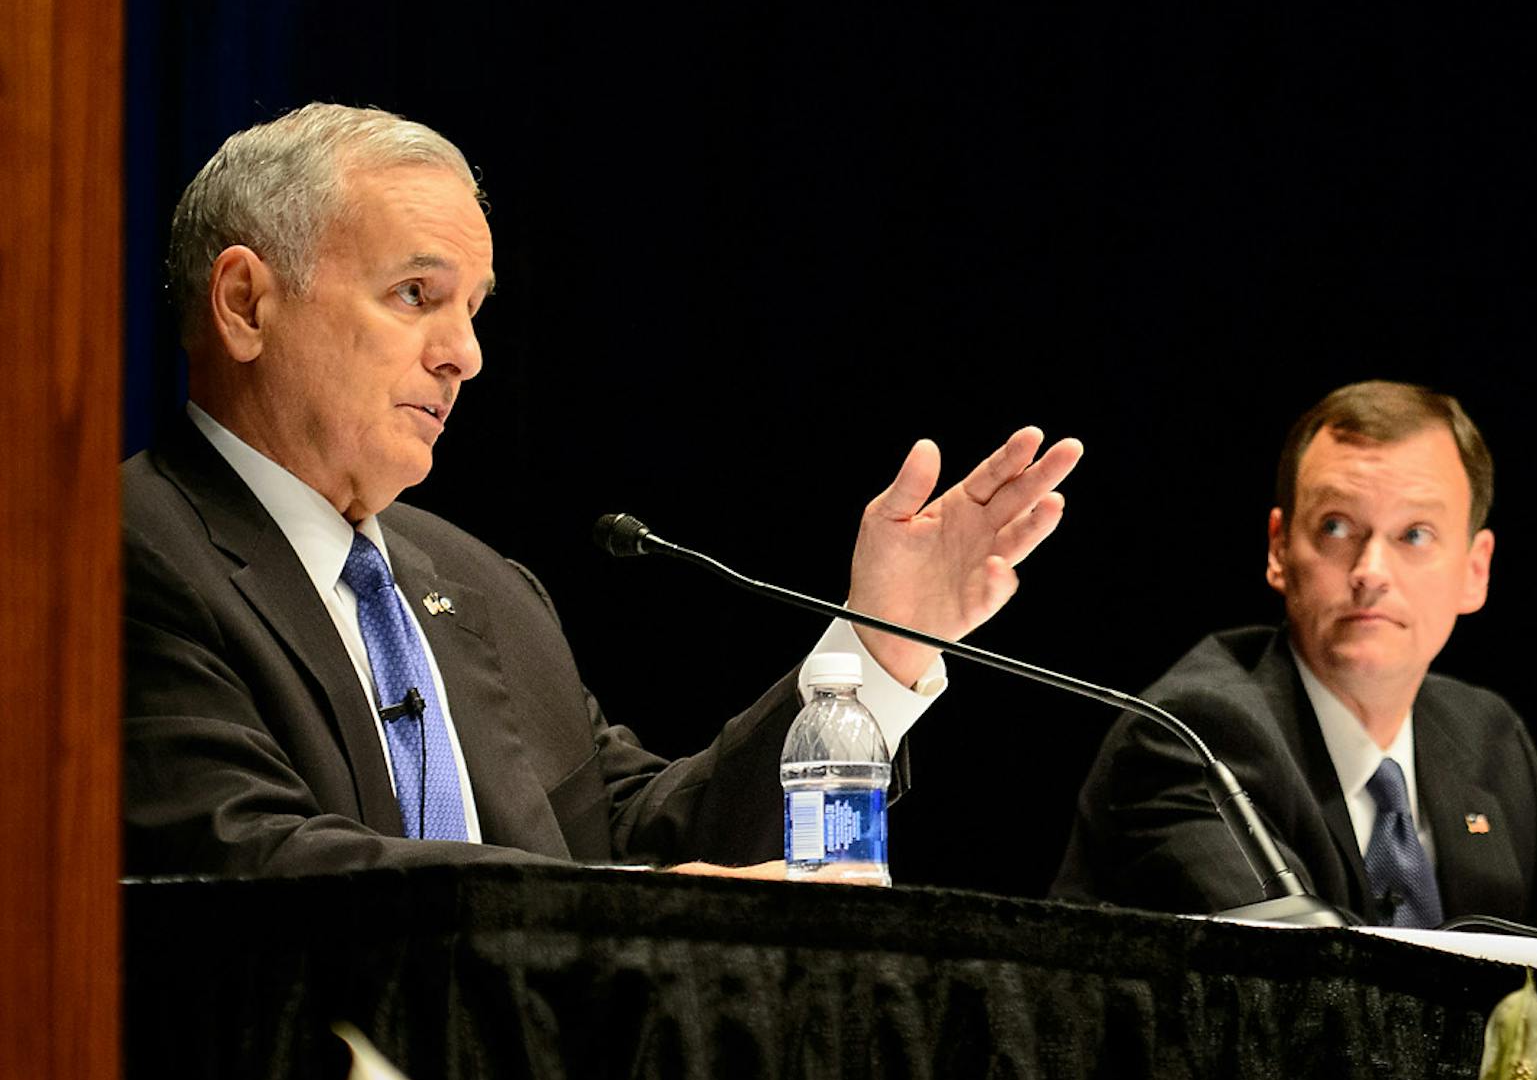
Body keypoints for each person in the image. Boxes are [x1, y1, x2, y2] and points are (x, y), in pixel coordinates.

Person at [125, 103, 1081, 877]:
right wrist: (617, 916)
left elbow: (645, 838)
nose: (465, 354)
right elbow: (249, 861)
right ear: (247, 302)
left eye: (474, 308)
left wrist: (877, 644)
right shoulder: (122, 553)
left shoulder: (483, 589)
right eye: (417, 294)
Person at [1052, 380, 1537, 942]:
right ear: (1278, 549)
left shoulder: (1485, 739)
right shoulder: (1195, 739)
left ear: (1475, 571)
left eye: (1414, 535)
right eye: (1336, 527)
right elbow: (1299, 997)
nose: (1371, 572)